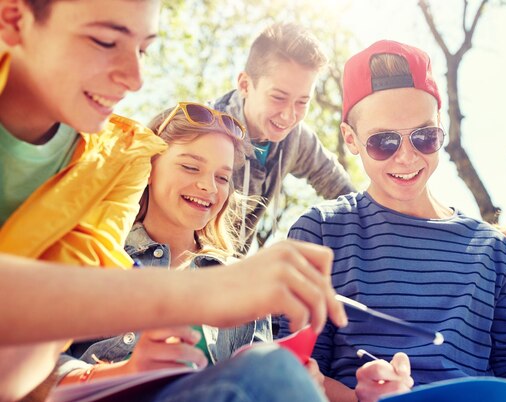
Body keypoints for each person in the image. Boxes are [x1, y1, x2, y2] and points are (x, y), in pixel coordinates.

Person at [0, 1, 345, 400]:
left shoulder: (115, 159)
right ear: (12, 19)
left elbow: (26, 360)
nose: (136, 78)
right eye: (104, 40)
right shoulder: (155, 150)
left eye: (144, 49)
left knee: (272, 372)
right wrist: (205, 293)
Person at [278, 40, 506, 402]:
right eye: (383, 142)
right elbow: (295, 369)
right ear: (351, 139)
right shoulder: (320, 231)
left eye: (424, 137)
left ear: (441, 127)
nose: (406, 157)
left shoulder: (492, 250)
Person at [209, 22, 355, 252]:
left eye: (302, 102)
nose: (289, 115)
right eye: (278, 97)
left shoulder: (296, 139)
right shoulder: (205, 131)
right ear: (245, 85)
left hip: (232, 271)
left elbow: (340, 188)